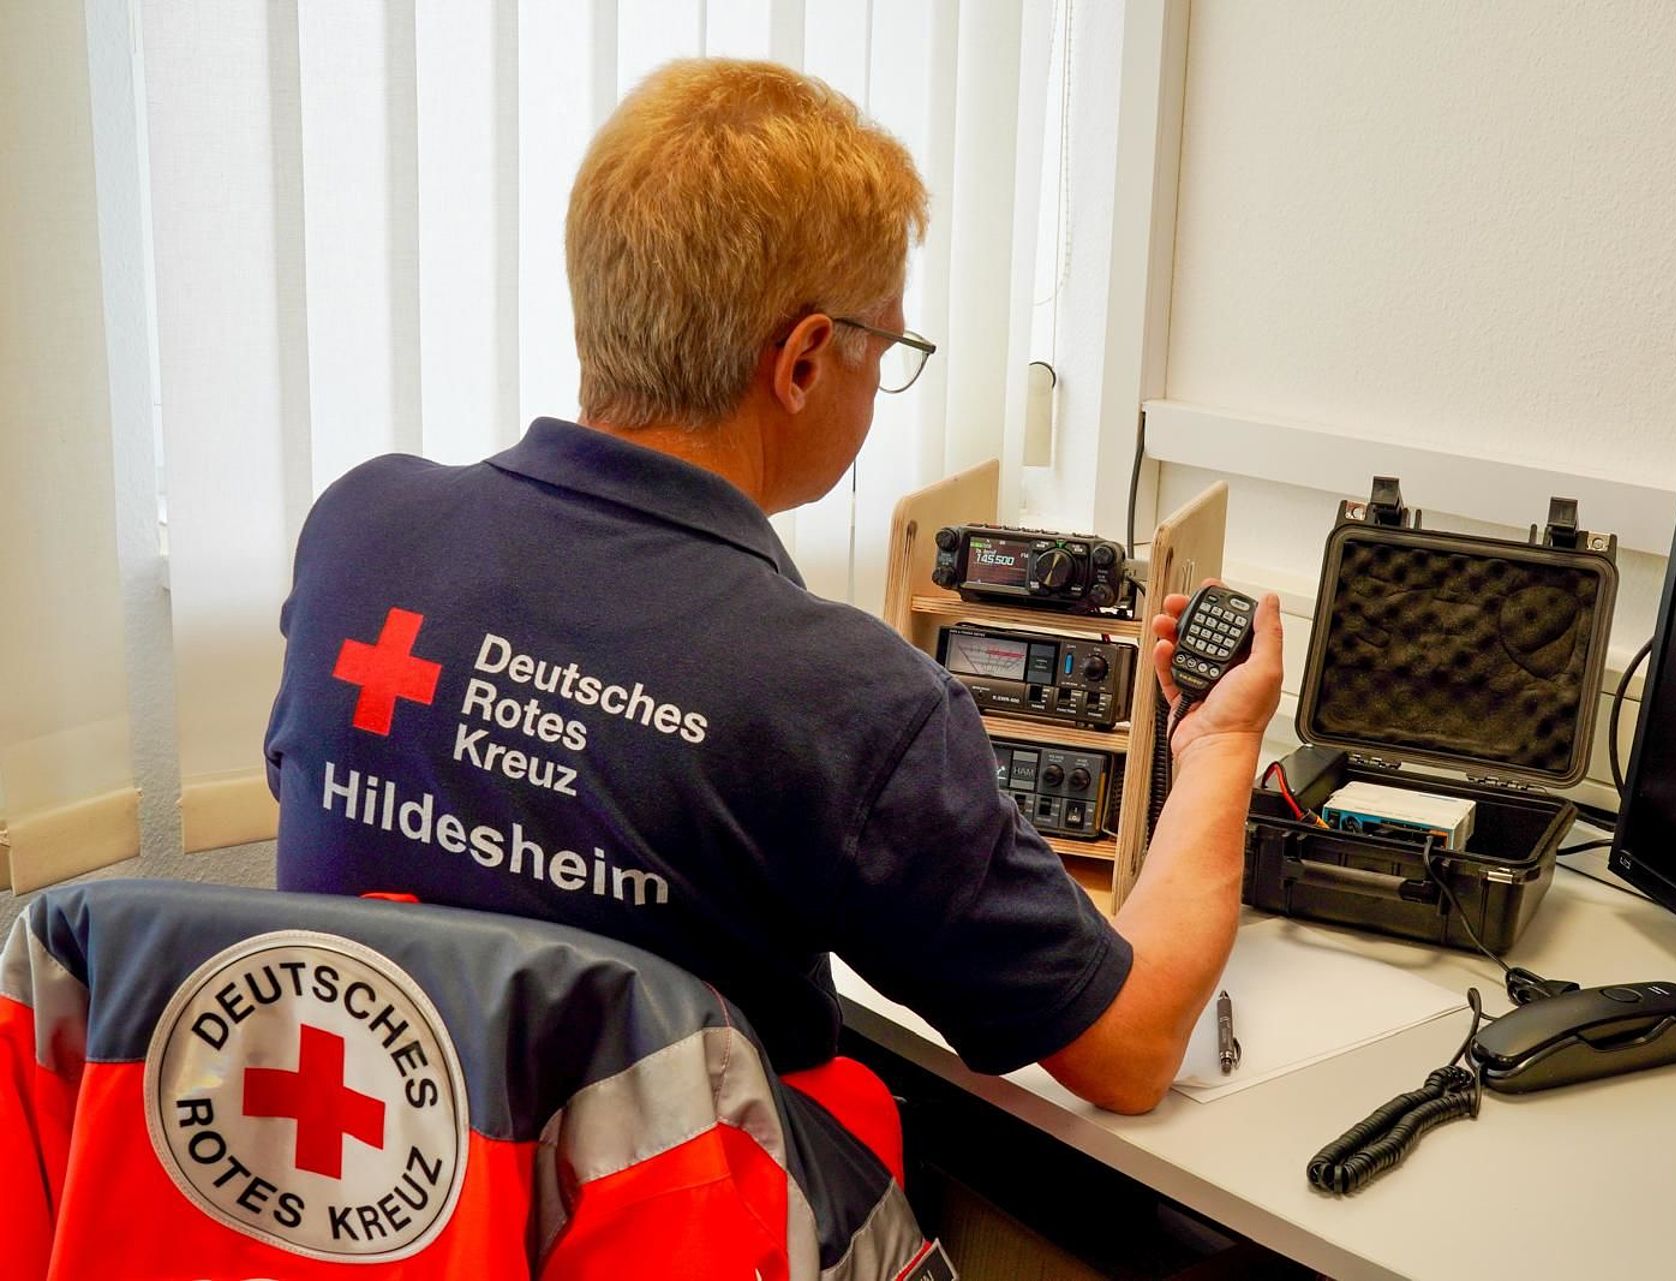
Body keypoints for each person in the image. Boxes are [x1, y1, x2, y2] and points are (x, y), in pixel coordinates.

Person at [266, 58, 1284, 1113]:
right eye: (883, 346)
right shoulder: (838, 697)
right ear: (802, 362)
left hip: (360, 1215)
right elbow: (1130, 1049)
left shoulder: (361, 531)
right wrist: (1217, 744)